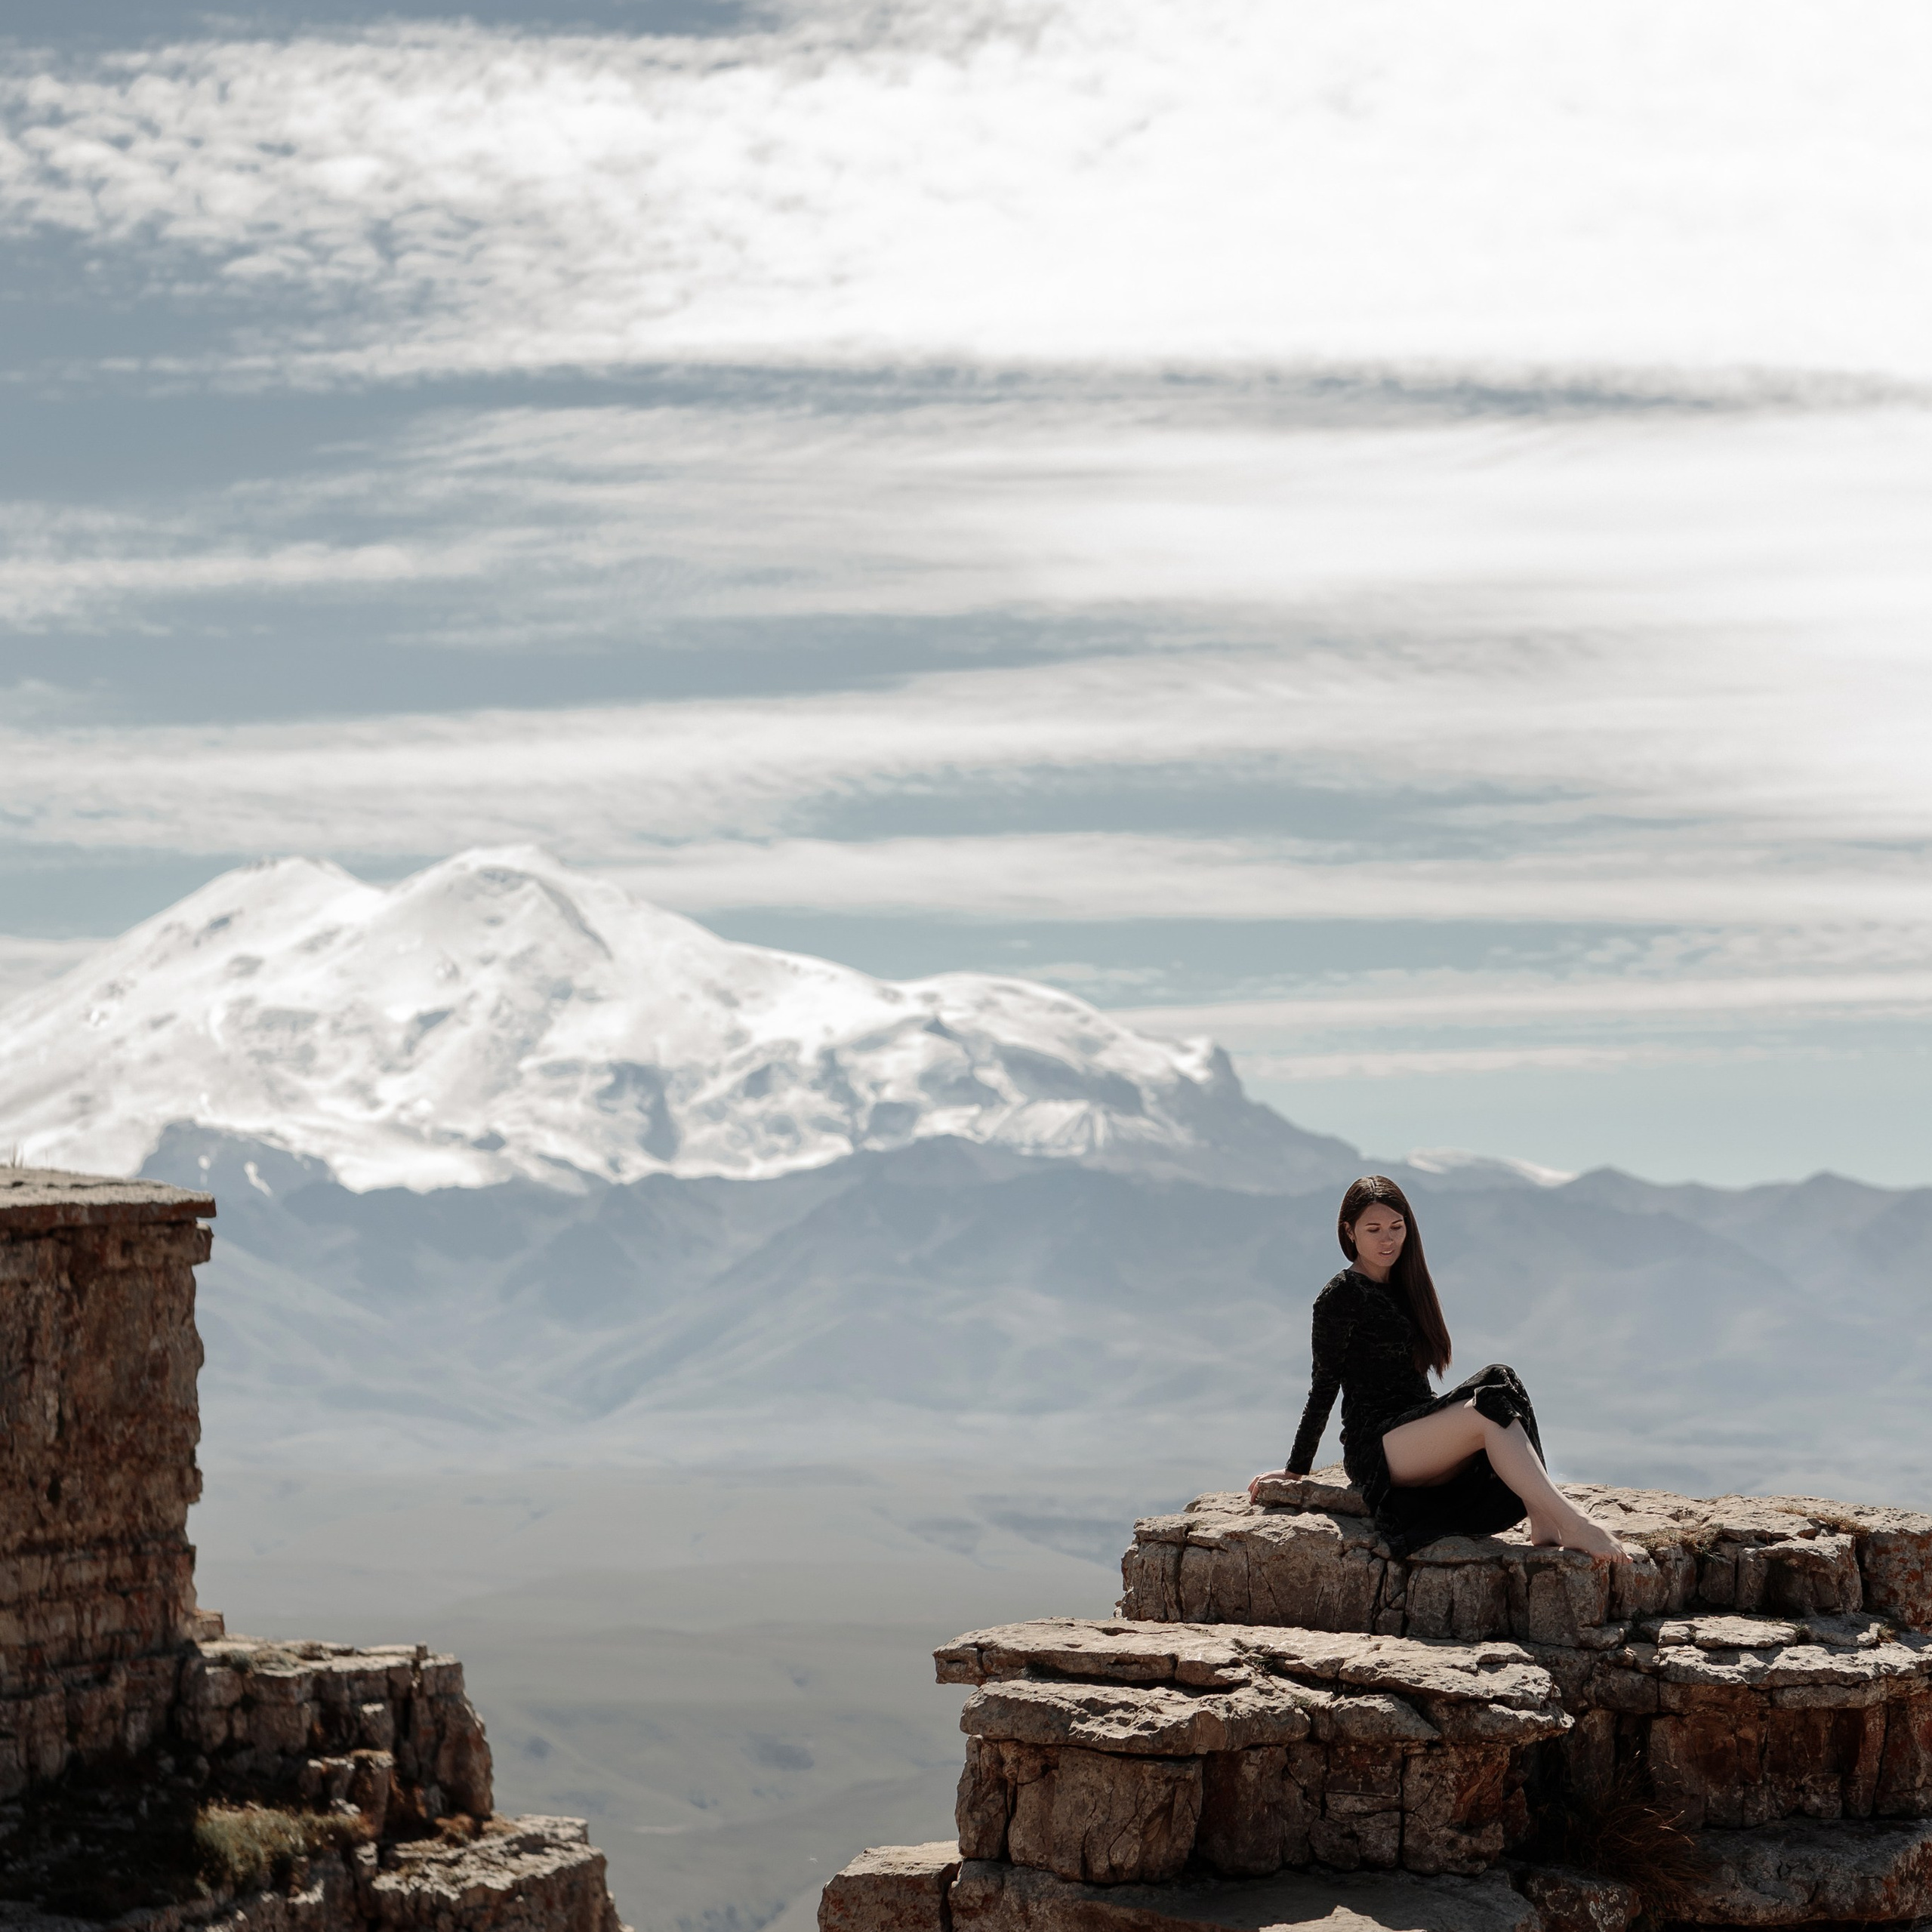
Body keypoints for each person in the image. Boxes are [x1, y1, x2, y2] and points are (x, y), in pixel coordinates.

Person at [1248, 1174, 1628, 1562]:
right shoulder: (1340, 1296)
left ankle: (1542, 1518)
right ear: (1349, 1232)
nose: (1388, 1240)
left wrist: (1444, 1421)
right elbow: (1323, 1386)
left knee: (1501, 1379)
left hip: (1414, 1428)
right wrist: (1296, 1471)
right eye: (1374, 1229)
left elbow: (1414, 1383)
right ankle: (1576, 1523)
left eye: (1397, 1227)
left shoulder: (1405, 1286)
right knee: (1489, 1405)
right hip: (1378, 1449)